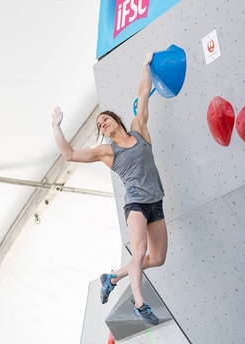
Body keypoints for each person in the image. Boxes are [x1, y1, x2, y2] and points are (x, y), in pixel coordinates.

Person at [52, 53, 167, 325]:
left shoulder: (139, 130)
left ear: (116, 119)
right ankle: (140, 303)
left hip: (156, 202)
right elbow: (68, 154)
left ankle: (112, 277)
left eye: (105, 118)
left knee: (158, 258)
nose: (103, 122)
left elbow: (143, 93)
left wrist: (144, 65)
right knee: (138, 252)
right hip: (136, 204)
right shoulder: (107, 152)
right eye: (100, 124)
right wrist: (56, 127)